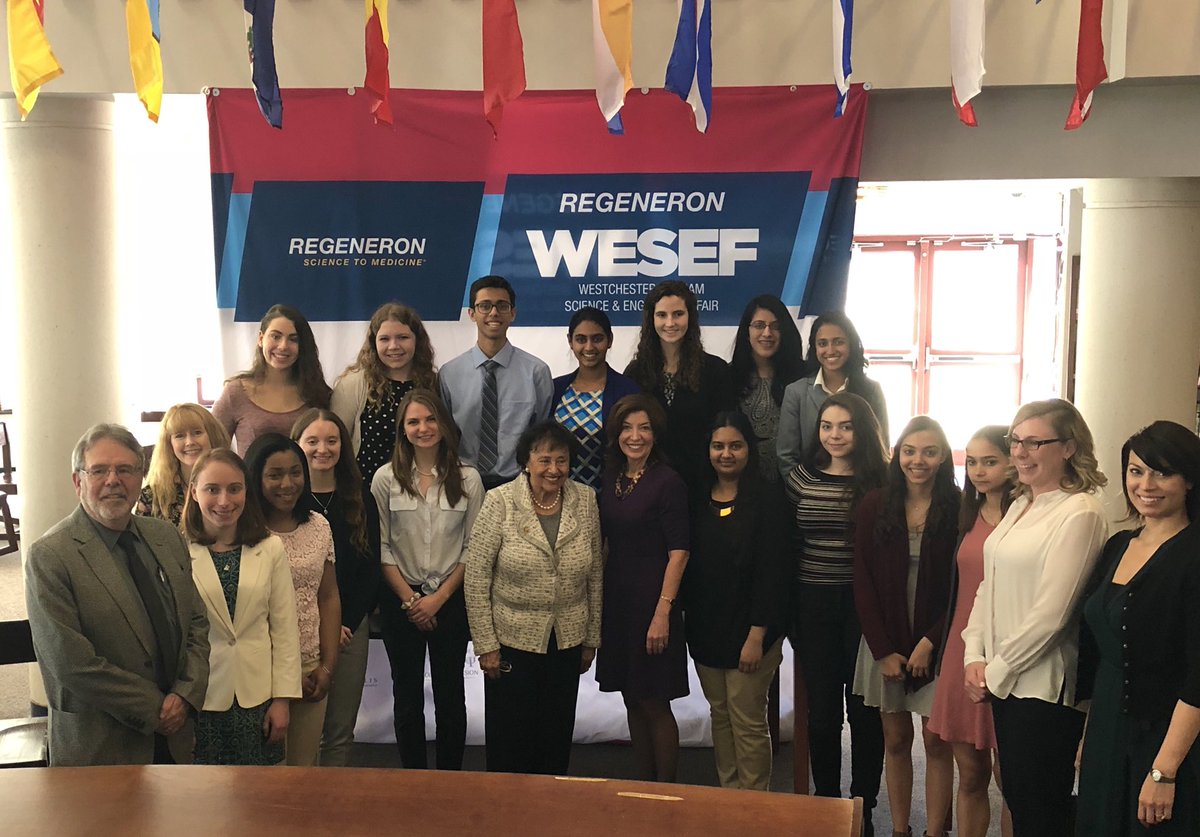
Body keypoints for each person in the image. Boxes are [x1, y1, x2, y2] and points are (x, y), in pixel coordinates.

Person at [962, 399, 1108, 837]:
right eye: (1016, 441)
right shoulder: (1022, 503)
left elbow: (1053, 615)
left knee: (1041, 810)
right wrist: (973, 654)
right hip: (1005, 681)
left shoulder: (1080, 511)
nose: (1021, 453)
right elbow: (988, 585)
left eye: (1034, 443)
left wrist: (996, 671)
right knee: (1022, 801)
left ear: (1069, 448)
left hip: (1043, 687)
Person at [24, 423, 210, 766]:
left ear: (140, 478)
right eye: (99, 471)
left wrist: (186, 694)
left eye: (125, 469)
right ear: (78, 482)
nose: (113, 480)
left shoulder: (167, 537)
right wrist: (157, 710)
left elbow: (196, 621)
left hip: (177, 734)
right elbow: (72, 664)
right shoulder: (50, 556)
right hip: (102, 747)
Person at [1076, 421, 1200, 835]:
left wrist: (1164, 771)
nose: (1146, 485)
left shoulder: (1193, 553)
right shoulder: (1118, 545)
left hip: (1168, 736)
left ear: (1189, 480)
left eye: (1162, 472)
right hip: (1107, 724)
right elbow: (1104, 653)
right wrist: (1089, 735)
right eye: (1136, 471)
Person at [464, 421, 602, 775]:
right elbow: (477, 576)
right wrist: (486, 645)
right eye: (545, 460)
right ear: (527, 461)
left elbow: (595, 574)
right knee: (510, 740)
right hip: (511, 642)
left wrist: (591, 638)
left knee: (555, 736)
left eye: (562, 460)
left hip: (567, 640)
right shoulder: (499, 501)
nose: (554, 469)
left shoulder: (586, 500)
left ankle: (551, 805)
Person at [851, 416, 960, 837]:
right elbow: (862, 578)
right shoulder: (875, 503)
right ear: (897, 455)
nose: (919, 461)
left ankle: (935, 831)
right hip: (885, 638)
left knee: (936, 742)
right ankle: (900, 829)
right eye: (910, 451)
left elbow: (964, 586)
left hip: (939, 639)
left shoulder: (959, 506)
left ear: (943, 457)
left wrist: (931, 640)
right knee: (895, 740)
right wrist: (882, 649)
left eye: (930, 452)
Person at [785, 392, 888, 832]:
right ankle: (826, 803)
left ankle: (863, 807)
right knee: (823, 713)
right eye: (827, 426)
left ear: (861, 429)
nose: (835, 435)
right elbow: (789, 545)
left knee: (864, 711)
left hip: (865, 607)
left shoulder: (882, 480)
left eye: (845, 426)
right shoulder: (800, 478)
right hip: (813, 604)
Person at [373, 390, 483, 770]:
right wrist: (411, 601)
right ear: (402, 430)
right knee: (406, 698)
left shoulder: (468, 479)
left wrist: (437, 600)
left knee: (451, 697)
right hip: (401, 599)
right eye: (414, 421)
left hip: (449, 600)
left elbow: (473, 548)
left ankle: (450, 779)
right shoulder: (385, 479)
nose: (423, 428)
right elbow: (381, 547)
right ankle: (413, 780)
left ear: (445, 424)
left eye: (431, 419)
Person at [682, 411, 789, 790]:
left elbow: (773, 574)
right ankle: (730, 798)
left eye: (735, 446)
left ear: (749, 449)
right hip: (707, 629)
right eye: (718, 446)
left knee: (748, 720)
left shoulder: (769, 499)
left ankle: (755, 805)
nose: (726, 454)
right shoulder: (696, 497)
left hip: (753, 631)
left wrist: (757, 635)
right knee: (721, 715)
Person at [182, 448, 301, 765]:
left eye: (234, 489)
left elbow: (285, 630)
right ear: (193, 492)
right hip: (201, 698)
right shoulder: (178, 550)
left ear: (246, 491)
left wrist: (283, 700)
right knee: (205, 790)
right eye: (212, 489)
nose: (224, 501)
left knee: (260, 791)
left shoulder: (270, 548)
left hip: (258, 698)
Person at [597, 393, 690, 782]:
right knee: (631, 698)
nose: (635, 436)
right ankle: (644, 788)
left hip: (653, 604)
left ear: (656, 434)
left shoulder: (668, 481)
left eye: (644, 428)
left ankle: (666, 793)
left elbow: (679, 552)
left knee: (654, 701)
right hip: (618, 602)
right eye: (627, 428)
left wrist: (663, 612)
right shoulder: (612, 478)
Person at [928, 425, 1015, 837]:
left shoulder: (1030, 516)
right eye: (973, 462)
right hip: (961, 650)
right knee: (971, 773)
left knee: (1012, 779)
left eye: (990, 461)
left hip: (1013, 650)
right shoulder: (964, 514)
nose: (979, 471)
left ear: (1013, 462)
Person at [244, 432, 341, 767]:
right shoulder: (244, 532)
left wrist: (327, 666)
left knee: (303, 771)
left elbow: (328, 596)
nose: (287, 483)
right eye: (274, 475)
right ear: (256, 478)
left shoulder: (319, 526)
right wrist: (282, 681)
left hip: (312, 668)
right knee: (263, 776)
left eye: (295, 472)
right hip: (257, 672)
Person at [291, 409, 380, 767]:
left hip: (350, 630)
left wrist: (343, 623)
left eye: (331, 440)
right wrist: (320, 623)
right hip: (298, 629)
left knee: (340, 731)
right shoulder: (285, 500)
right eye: (312, 441)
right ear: (297, 445)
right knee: (303, 730)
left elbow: (370, 569)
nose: (322, 449)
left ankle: (331, 799)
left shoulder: (360, 497)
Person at [440, 275, 553, 490]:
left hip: (519, 484)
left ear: (513, 313)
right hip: (464, 483)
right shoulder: (449, 374)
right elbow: (446, 435)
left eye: (502, 306)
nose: (493, 313)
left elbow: (543, 435)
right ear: (471, 314)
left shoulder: (536, 372)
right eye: (485, 306)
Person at [624, 279, 734, 492]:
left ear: (690, 317)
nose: (670, 322)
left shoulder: (716, 370)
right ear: (651, 319)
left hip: (703, 483)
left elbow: (725, 430)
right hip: (649, 484)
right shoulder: (636, 373)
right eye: (661, 315)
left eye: (678, 314)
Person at [330, 302, 437, 484]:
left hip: (419, 491)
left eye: (403, 337)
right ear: (374, 343)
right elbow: (334, 440)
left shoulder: (432, 384)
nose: (393, 346)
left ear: (417, 340)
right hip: (364, 489)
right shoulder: (353, 384)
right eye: (384, 339)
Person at [777, 310, 890, 477]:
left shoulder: (871, 391)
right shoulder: (796, 392)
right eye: (822, 343)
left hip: (861, 487)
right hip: (809, 488)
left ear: (851, 344)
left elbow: (881, 449)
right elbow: (786, 456)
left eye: (838, 342)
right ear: (814, 348)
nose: (830, 350)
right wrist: (802, 488)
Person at [214, 304, 333, 453]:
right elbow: (212, 451)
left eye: (293, 339)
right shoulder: (235, 393)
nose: (283, 346)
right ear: (260, 338)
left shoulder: (319, 394)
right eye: (276, 336)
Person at [550, 306, 640, 491]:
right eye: (581, 339)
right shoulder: (555, 389)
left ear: (610, 340)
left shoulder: (628, 391)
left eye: (597, 339)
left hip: (608, 496)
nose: (589, 347)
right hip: (558, 495)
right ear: (570, 341)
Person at [728, 295, 805, 483]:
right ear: (747, 331)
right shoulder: (727, 377)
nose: (767, 333)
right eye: (759, 325)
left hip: (795, 484)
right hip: (742, 484)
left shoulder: (803, 378)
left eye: (775, 326)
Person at [138, 403, 231, 525]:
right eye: (180, 436)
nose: (189, 442)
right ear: (169, 444)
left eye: (197, 433)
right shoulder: (152, 495)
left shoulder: (235, 485)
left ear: (213, 436)